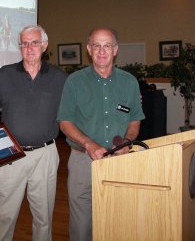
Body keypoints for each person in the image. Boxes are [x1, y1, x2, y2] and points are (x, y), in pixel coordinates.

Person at [57, 27, 145, 241]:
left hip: (120, 160)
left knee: (118, 220)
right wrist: (88, 143)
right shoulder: (74, 82)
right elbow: (64, 122)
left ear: (115, 50)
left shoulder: (129, 82)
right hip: (82, 161)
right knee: (81, 225)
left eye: (107, 46)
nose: (102, 51)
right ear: (89, 49)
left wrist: (127, 141)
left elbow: (135, 119)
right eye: (97, 46)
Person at [0, 25, 67, 241]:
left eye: (34, 42)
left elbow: (79, 108)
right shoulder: (4, 74)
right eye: (24, 43)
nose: (29, 48)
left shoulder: (59, 77)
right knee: (4, 215)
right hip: (10, 155)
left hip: (45, 154)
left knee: (43, 217)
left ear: (44, 45)